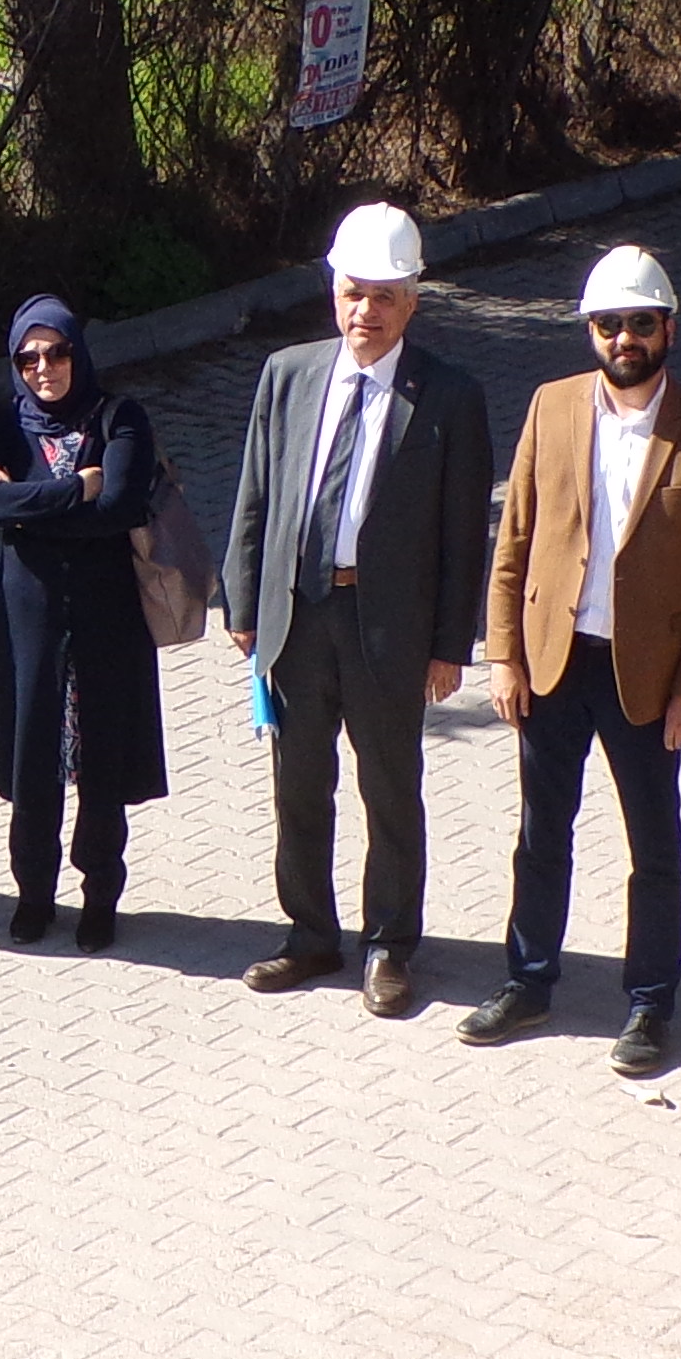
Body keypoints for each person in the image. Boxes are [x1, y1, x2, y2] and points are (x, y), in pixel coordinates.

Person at [463, 245, 681, 1075]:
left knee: (653, 845)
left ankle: (651, 1006)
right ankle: (528, 981)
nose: (624, 338)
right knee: (539, 833)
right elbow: (514, 537)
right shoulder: (552, 407)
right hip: (554, 662)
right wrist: (504, 658)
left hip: (650, 679)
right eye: (608, 324)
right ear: (590, 331)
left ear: (668, 328)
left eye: (639, 323)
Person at [216, 201, 496, 1012]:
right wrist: (244, 601)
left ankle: (388, 946)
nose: (363, 312)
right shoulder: (289, 374)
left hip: (388, 630)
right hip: (297, 617)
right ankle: (309, 936)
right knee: (298, 786)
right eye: (350, 293)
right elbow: (256, 493)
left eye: (381, 296)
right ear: (331, 292)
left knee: (389, 789)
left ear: (412, 299)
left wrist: (451, 644)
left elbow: (459, 536)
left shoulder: (448, 396)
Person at [0, 293, 165, 950]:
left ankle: (100, 897)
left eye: (56, 353)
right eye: (28, 358)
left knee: (102, 764)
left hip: (108, 623)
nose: (43, 368)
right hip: (30, 626)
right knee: (33, 764)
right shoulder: (5, 425)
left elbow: (121, 506)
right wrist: (72, 489)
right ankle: (32, 896)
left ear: (78, 352)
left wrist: (27, 510)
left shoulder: (120, 417)